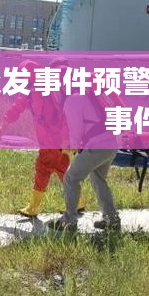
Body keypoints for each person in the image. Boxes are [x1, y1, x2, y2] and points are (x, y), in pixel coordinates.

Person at [0, 58, 87, 217]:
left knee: (43, 168)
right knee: (62, 169)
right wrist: (4, 123)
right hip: (57, 139)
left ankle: (33, 207)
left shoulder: (43, 87)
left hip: (53, 140)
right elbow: (19, 106)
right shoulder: (35, 88)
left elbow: (65, 113)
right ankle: (78, 202)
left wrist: (4, 124)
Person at [48, 92, 120, 232]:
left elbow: (76, 132)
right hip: (110, 143)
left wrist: (73, 148)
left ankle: (69, 221)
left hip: (96, 146)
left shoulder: (72, 101)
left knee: (71, 178)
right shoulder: (88, 96)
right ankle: (112, 220)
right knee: (98, 179)